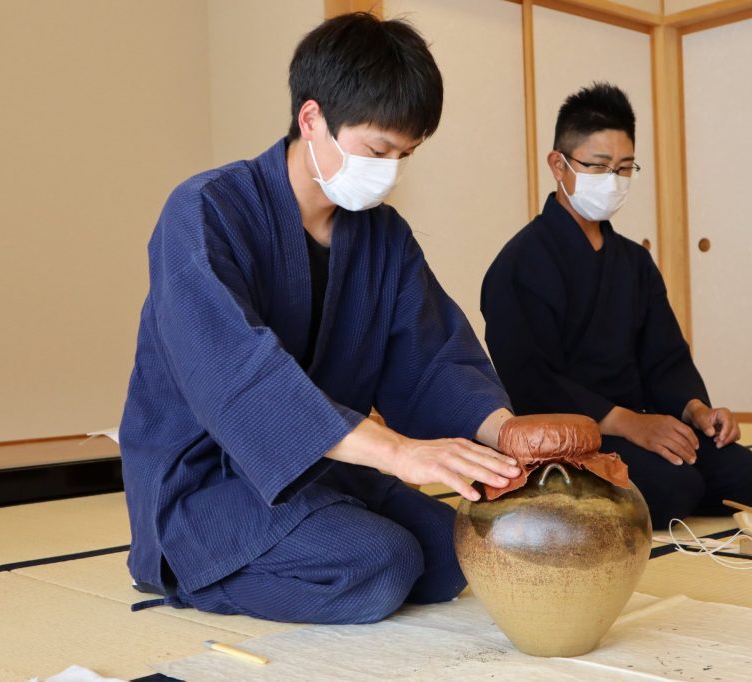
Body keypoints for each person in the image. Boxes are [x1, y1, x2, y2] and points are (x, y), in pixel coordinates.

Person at [119, 13, 524, 626]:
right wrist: (396, 452)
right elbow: (235, 375)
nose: (389, 171)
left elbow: (432, 356)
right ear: (312, 119)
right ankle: (186, 571)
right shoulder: (203, 211)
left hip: (329, 469)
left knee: (455, 552)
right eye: (377, 149)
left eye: (405, 154)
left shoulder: (383, 236)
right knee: (380, 564)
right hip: (208, 485)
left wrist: (508, 436)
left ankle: (320, 534)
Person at [480, 82, 752, 529]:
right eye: (597, 166)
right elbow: (529, 380)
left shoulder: (633, 261)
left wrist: (696, 411)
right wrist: (626, 423)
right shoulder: (520, 263)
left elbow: (665, 355)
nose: (612, 181)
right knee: (676, 488)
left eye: (624, 167)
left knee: (742, 474)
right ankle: (551, 490)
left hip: (636, 423)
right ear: (559, 164)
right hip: (567, 434)